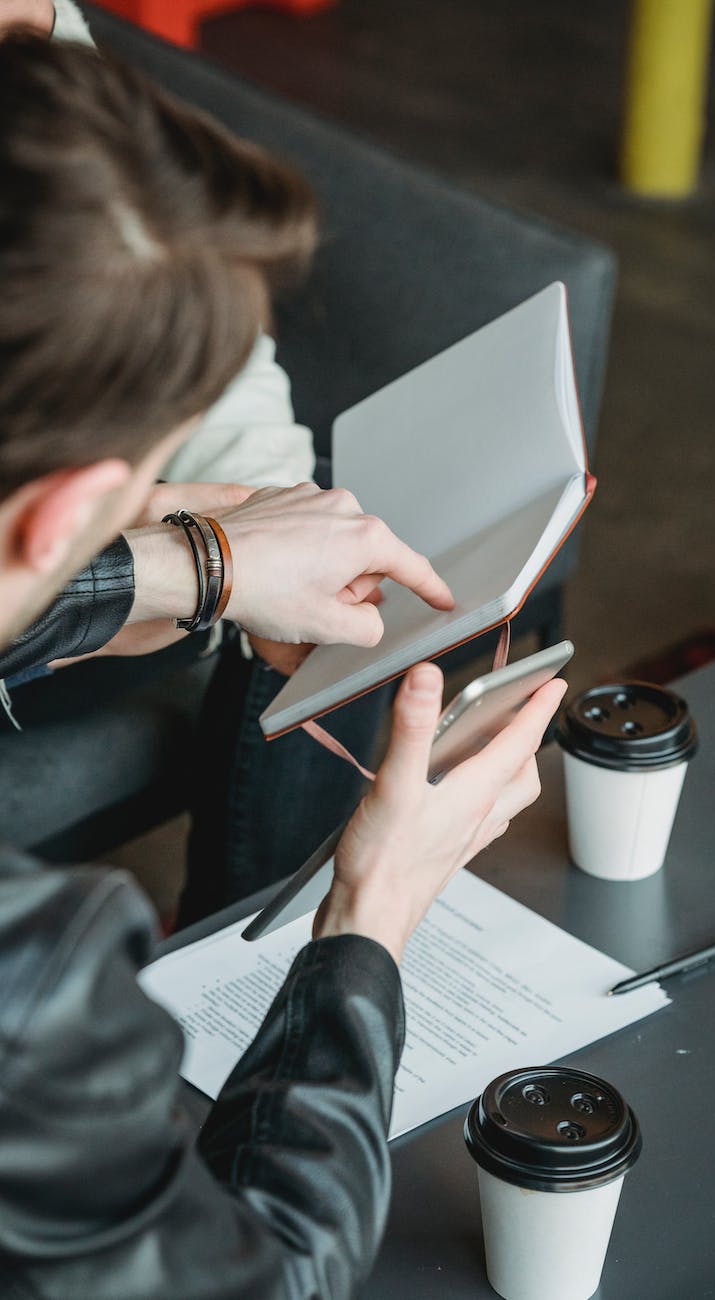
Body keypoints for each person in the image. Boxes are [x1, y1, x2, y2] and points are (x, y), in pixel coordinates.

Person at [0, 34, 566, 1298]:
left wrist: (185, 560)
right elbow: (264, 1280)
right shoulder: (29, 979)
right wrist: (371, 916)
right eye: (147, 481)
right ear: (63, 509)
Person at [0, 0, 394, 917]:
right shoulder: (52, 971)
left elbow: (166, 302)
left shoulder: (36, 26)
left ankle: (246, 948)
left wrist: (246, 525)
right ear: (65, 510)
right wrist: (367, 919)